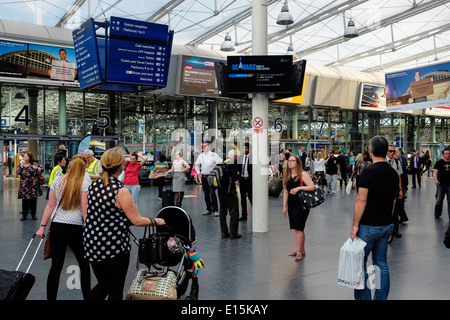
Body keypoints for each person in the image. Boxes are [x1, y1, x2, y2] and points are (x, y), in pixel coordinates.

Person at [83, 147, 165, 300]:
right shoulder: (120, 191)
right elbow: (136, 220)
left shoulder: (94, 186)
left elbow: (103, 212)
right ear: (121, 166)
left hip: (92, 244)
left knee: (103, 283)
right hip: (113, 247)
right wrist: (157, 221)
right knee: (115, 288)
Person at [349, 136, 399, 300]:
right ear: (386, 152)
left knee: (360, 265)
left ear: (370, 151)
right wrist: (389, 218)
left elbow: (361, 200)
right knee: (381, 264)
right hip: (386, 224)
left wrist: (355, 225)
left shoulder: (368, 172)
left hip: (368, 227)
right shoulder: (393, 173)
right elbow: (394, 199)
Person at [36, 157, 91, 300]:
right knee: (84, 265)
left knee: (56, 267)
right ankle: (88, 296)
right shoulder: (84, 182)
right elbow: (84, 210)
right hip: (75, 228)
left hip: (57, 227)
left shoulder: (57, 180)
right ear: (83, 169)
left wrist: (42, 227)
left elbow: (50, 206)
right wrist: (91, 229)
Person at [282, 155, 315, 262]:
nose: (290, 162)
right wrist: (284, 207)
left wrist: (298, 188)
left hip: (302, 205)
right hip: (291, 205)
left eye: (292, 161)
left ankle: (299, 252)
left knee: (298, 228)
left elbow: (312, 186)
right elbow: (286, 192)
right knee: (298, 229)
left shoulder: (302, 174)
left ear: (297, 163)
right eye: (289, 161)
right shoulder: (287, 175)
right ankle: (301, 250)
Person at [195, 141, 222, 217]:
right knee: (206, 194)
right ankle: (208, 209)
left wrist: (216, 173)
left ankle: (215, 210)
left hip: (211, 177)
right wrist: (198, 172)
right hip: (203, 176)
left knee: (212, 193)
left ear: (209, 147)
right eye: (203, 146)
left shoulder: (214, 155)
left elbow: (219, 164)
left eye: (205, 146)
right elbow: (196, 165)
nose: (203, 147)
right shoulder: (201, 156)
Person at [219, 150, 241, 239]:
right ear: (235, 156)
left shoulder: (221, 162)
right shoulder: (232, 164)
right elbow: (235, 178)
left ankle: (224, 233)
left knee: (222, 212)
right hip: (230, 191)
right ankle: (233, 233)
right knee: (234, 212)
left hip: (220, 191)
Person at [17, 151, 43, 221]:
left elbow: (41, 170)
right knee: (24, 202)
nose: (24, 157)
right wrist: (21, 165)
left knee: (33, 202)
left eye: (26, 156)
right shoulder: (21, 164)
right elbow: (18, 172)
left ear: (29, 157)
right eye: (24, 156)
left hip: (33, 186)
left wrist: (36, 168)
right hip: (24, 186)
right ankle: (24, 215)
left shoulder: (34, 164)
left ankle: (33, 215)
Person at [386, 145, 404, 240]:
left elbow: (399, 176)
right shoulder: (382, 161)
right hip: (384, 190)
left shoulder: (397, 162)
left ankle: (395, 231)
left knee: (395, 211)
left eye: (394, 151)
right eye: (390, 151)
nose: (392, 153)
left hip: (394, 189)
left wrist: (400, 189)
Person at [433, 148, 450, 219]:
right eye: (446, 154)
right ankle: (437, 213)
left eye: (449, 154)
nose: (448, 155)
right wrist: (436, 180)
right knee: (439, 201)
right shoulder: (439, 163)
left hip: (449, 185)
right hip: (441, 185)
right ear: (443, 155)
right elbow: (435, 172)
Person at [237, 143, 252, 221]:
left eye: (246, 148)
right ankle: (244, 215)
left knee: (251, 197)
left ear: (249, 149)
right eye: (243, 148)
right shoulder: (240, 158)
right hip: (242, 180)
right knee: (242, 198)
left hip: (249, 180)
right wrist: (237, 178)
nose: (244, 150)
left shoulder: (252, 158)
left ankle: (256, 214)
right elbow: (236, 167)